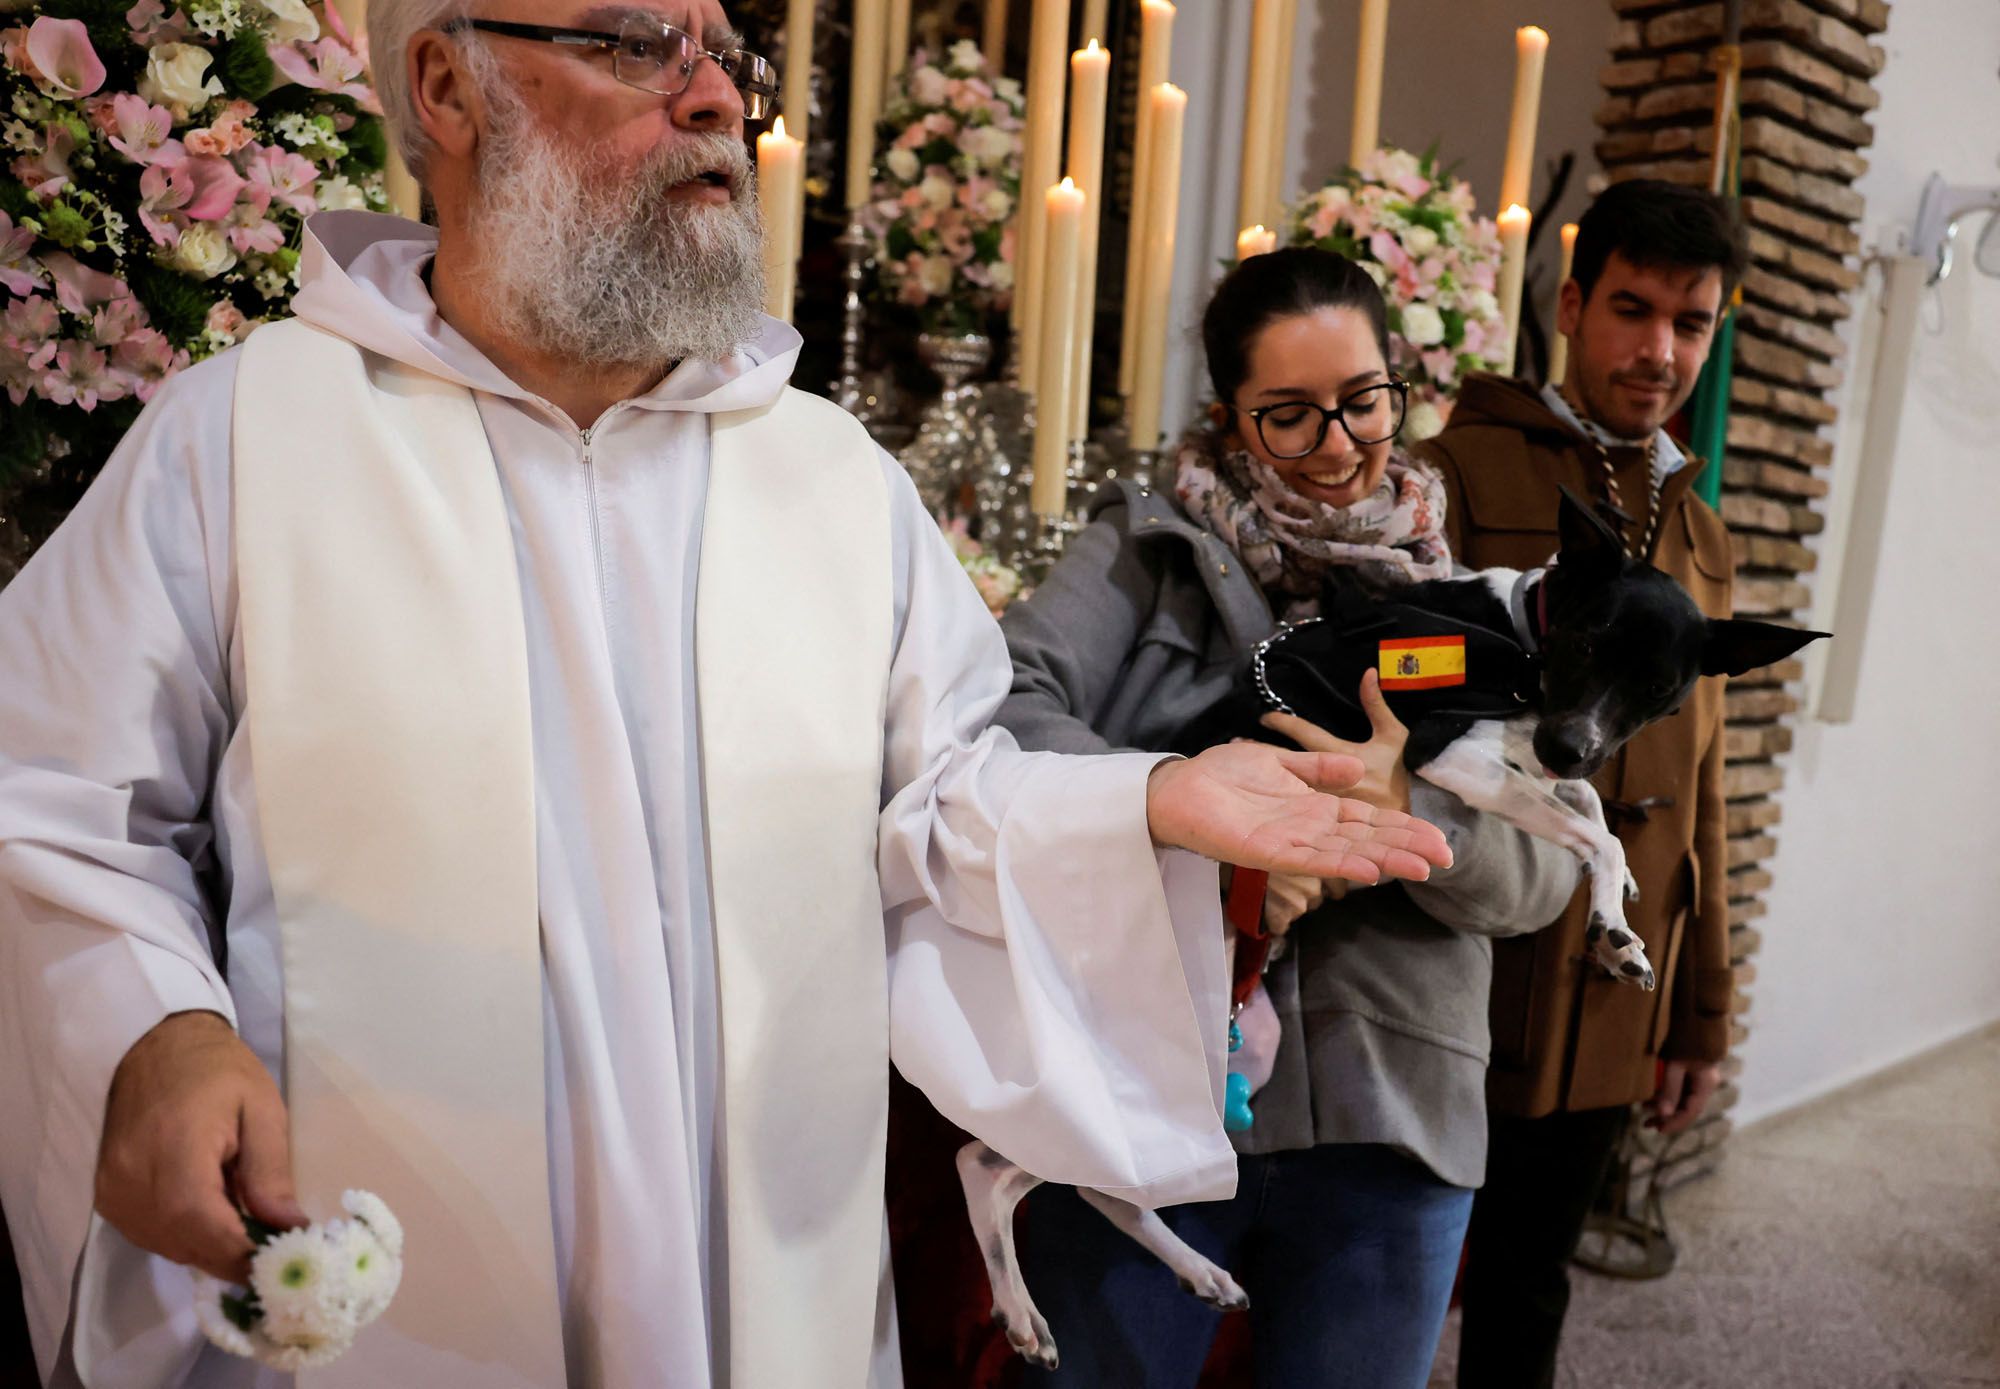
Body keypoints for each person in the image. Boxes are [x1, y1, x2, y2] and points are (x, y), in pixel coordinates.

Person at [0, 6, 1456, 1387]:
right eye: (638, 46)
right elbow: (56, 803)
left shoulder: (826, 475)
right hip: (385, 1283)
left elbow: (942, 803)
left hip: (767, 1302)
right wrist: (152, 1031)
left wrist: (1141, 803)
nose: (712, 99)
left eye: (723, 56)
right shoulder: (246, 438)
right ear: (446, 90)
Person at [994, 247, 1579, 1389]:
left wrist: (1404, 811)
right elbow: (1002, 709)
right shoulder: (1148, 547)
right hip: (1138, 1095)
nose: (1337, 448)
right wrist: (1177, 818)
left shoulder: (1461, 591)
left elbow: (1548, 874)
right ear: (1227, 416)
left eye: (1362, 404)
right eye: (1287, 418)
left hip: (1389, 1114)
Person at [1410, 178, 1750, 1389]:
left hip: (1610, 991)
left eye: (1691, 321)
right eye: (1630, 308)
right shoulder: (1462, 472)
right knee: (1395, 1271)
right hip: (1464, 958)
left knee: (1528, 1283)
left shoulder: (1704, 540)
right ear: (1569, 303)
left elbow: (1699, 796)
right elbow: (1399, 694)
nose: (1659, 349)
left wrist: (1698, 1014)